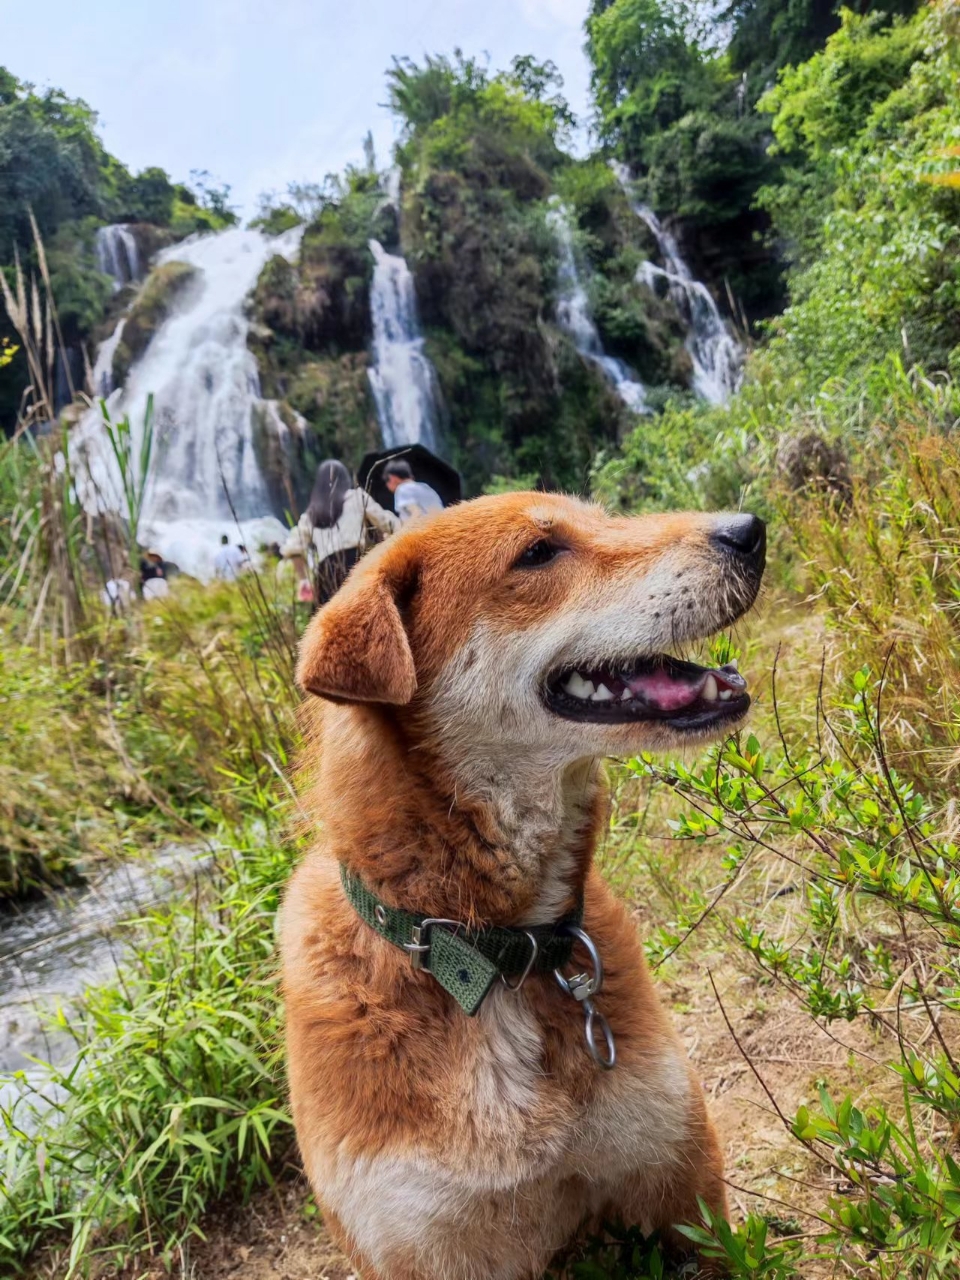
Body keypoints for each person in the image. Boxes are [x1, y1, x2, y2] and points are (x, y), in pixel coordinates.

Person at [281, 459, 398, 605]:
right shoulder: (356, 497)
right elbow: (387, 524)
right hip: (356, 565)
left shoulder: (311, 513)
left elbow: (292, 548)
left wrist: (304, 579)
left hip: (326, 574)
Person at [382, 458, 444, 523]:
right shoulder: (425, 488)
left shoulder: (402, 489)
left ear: (392, 478)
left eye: (387, 481)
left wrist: (402, 532)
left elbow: (416, 514)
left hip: (425, 530)